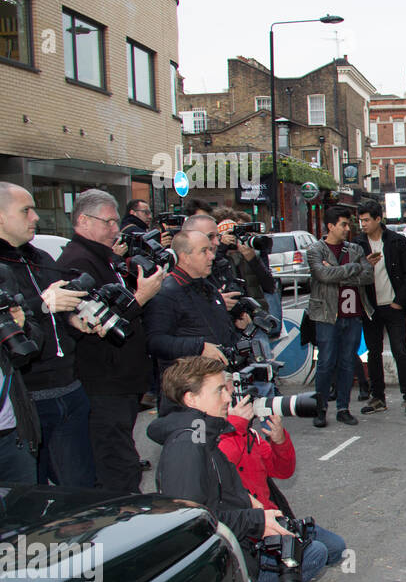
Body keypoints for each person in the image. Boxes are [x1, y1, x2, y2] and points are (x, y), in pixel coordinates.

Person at [148, 355, 322, 582]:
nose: (229, 397)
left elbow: (226, 497)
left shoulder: (204, 435)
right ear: (191, 398)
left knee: (311, 553)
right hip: (225, 575)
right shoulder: (188, 446)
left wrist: (257, 510)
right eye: (219, 391)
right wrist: (255, 520)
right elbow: (194, 523)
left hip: (243, 560)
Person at [56, 190, 166, 492]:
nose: (116, 229)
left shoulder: (102, 258)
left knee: (122, 460)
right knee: (117, 469)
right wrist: (141, 296)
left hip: (121, 383)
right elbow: (98, 321)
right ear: (83, 220)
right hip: (104, 385)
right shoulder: (77, 262)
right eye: (109, 222)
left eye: (116, 222)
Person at [0, 181, 101, 486]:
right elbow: (19, 321)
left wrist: (72, 321)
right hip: (28, 399)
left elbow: (52, 313)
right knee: (31, 499)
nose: (36, 218)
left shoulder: (39, 258)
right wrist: (45, 305)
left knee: (80, 492)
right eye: (26, 210)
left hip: (69, 388)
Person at [217, 390, 347, 582]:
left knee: (336, 548)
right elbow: (221, 464)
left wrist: (279, 441)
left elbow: (284, 471)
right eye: (225, 393)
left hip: (274, 518)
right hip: (250, 530)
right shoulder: (211, 439)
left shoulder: (249, 434)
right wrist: (233, 425)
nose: (232, 399)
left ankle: (287, 578)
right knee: (316, 553)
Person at [143, 229, 244, 386]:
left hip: (217, 381)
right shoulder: (166, 293)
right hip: (186, 388)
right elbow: (155, 342)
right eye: (204, 251)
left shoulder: (207, 286)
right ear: (185, 257)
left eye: (211, 250)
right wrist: (199, 347)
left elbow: (219, 331)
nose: (212, 256)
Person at [306, 206, 374, 429]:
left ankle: (343, 409)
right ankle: (321, 408)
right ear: (331, 226)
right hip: (326, 316)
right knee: (325, 362)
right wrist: (352, 269)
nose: (348, 229)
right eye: (344, 224)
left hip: (353, 315)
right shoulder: (315, 250)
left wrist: (341, 271)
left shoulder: (355, 249)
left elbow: (367, 276)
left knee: (347, 363)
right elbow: (322, 275)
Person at [356, 201, 406, 417]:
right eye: (360, 220)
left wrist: (398, 302)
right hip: (370, 307)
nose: (362, 224)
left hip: (394, 306)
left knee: (400, 350)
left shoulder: (396, 241)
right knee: (373, 353)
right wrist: (365, 264)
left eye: (366, 220)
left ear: (377, 219)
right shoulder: (357, 245)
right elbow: (353, 274)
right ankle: (378, 398)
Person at [0, 300, 43, 483]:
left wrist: (22, 325)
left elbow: (34, 344)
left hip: (14, 436)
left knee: (26, 508)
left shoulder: (3, 277)